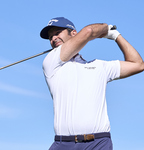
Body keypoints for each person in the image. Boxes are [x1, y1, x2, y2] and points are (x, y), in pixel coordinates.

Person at [40, 17, 144, 150]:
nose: (53, 38)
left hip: (99, 143)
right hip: (64, 144)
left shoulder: (99, 66)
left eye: (57, 33)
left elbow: (138, 64)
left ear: (73, 33)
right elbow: (88, 31)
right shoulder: (51, 62)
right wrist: (106, 28)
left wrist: (116, 36)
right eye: (50, 37)